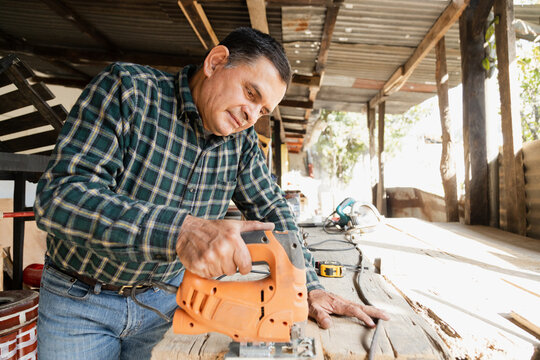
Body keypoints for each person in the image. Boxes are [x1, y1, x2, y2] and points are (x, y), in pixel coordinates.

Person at [34, 27, 389, 359]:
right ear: (215, 62)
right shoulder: (127, 90)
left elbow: (274, 211)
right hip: (80, 301)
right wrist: (180, 231)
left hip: (168, 301)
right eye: (251, 93)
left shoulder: (242, 142)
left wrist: (307, 286)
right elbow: (60, 197)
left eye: (263, 110)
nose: (251, 116)